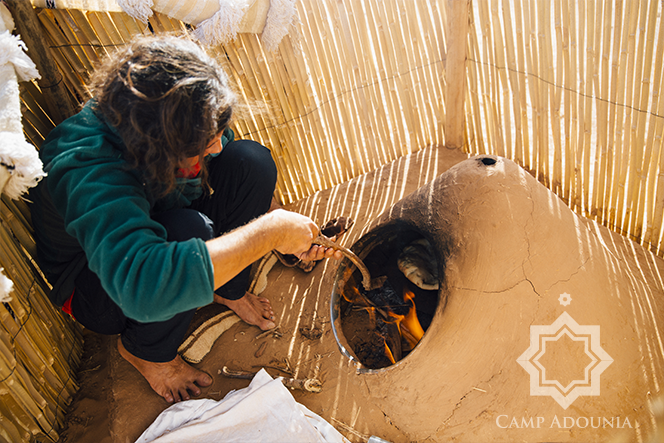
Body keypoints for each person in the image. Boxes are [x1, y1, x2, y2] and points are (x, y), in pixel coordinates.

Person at [29, 35, 342, 404]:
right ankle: (146, 352)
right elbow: (143, 286)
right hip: (100, 284)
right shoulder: (87, 167)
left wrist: (277, 219)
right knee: (188, 233)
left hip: (167, 219)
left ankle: (230, 290)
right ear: (156, 143)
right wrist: (269, 233)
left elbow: (227, 161)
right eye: (205, 142)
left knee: (250, 161)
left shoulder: (184, 115)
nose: (216, 146)